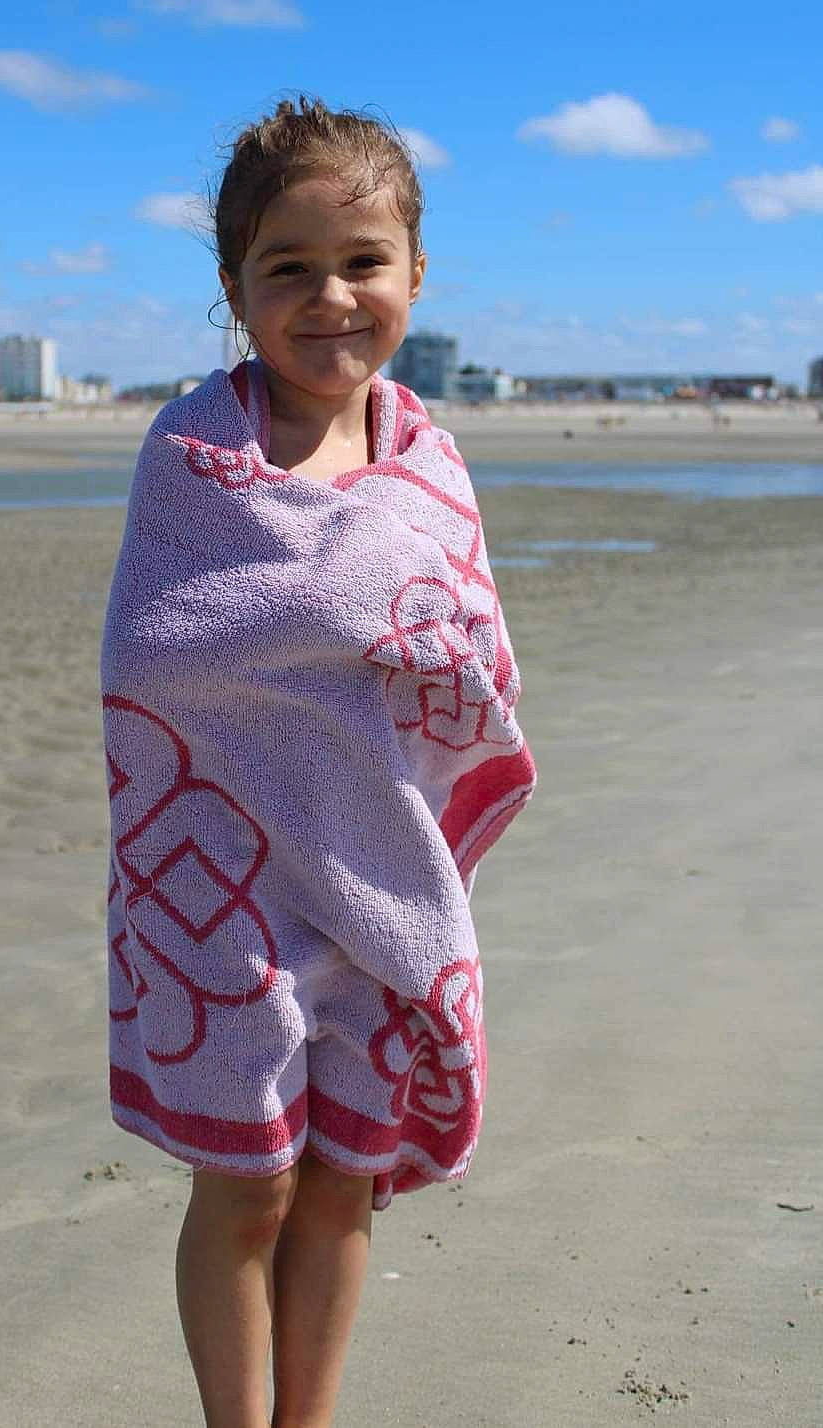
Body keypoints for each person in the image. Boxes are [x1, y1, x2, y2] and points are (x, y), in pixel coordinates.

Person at [100, 96, 536, 1428]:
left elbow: (470, 663)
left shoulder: (431, 463)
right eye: (288, 267)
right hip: (221, 874)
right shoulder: (193, 458)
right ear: (235, 289)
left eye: (362, 263)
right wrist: (330, 623)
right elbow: (154, 656)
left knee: (345, 1172)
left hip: (378, 862)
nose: (331, 296)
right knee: (251, 1181)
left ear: (413, 276)